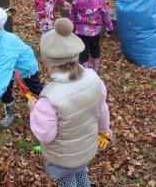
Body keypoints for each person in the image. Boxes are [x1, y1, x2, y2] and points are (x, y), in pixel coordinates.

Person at [30, 18, 111, 187]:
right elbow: (102, 109)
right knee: (80, 171)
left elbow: (45, 135)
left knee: (67, 181)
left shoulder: (49, 98)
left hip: (63, 157)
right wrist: (104, 130)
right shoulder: (94, 78)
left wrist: (34, 111)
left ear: (48, 63)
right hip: (86, 147)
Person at [0, 5, 43, 128]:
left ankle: (51, 105)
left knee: (36, 89)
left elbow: (4, 69)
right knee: (4, 92)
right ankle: (10, 113)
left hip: (25, 67)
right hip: (8, 69)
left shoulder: (7, 43)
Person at [69, 0, 113, 72]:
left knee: (83, 50)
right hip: (95, 31)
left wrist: (71, 26)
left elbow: (72, 14)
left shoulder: (76, 0)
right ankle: (95, 69)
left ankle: (84, 70)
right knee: (95, 48)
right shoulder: (100, 0)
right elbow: (106, 14)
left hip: (80, 31)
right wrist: (109, 27)